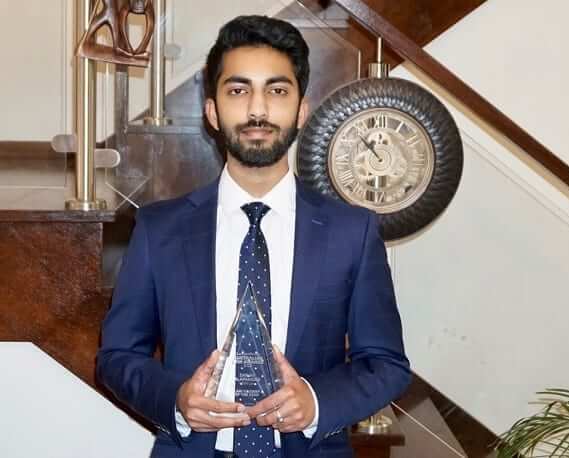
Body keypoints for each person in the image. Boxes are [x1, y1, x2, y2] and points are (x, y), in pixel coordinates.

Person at [97, 15, 411, 458]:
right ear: (212, 111)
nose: (258, 110)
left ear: (301, 109)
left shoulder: (351, 232)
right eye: (238, 90)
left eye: (277, 91)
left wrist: (316, 402)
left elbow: (386, 364)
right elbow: (117, 357)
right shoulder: (158, 229)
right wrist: (177, 400)